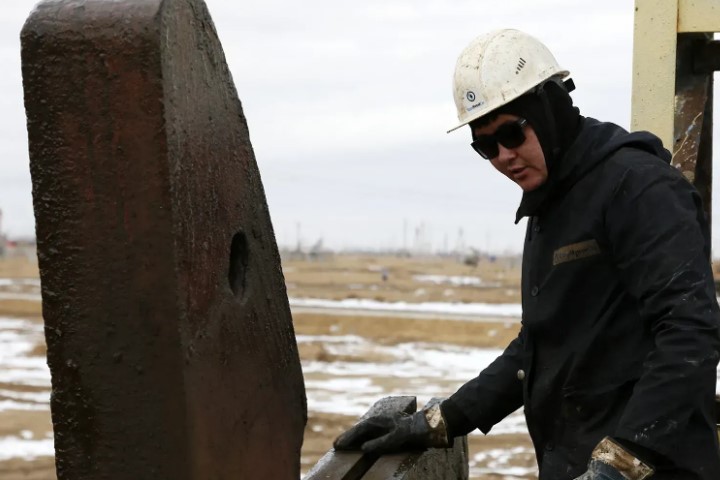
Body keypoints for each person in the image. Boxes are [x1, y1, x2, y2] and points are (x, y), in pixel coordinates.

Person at [334, 29, 720, 480]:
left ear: (549, 110)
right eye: (486, 146)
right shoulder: (552, 203)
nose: (503, 157)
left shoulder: (636, 188)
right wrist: (440, 421)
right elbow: (538, 347)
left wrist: (623, 461)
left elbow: (689, 332)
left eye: (512, 134)